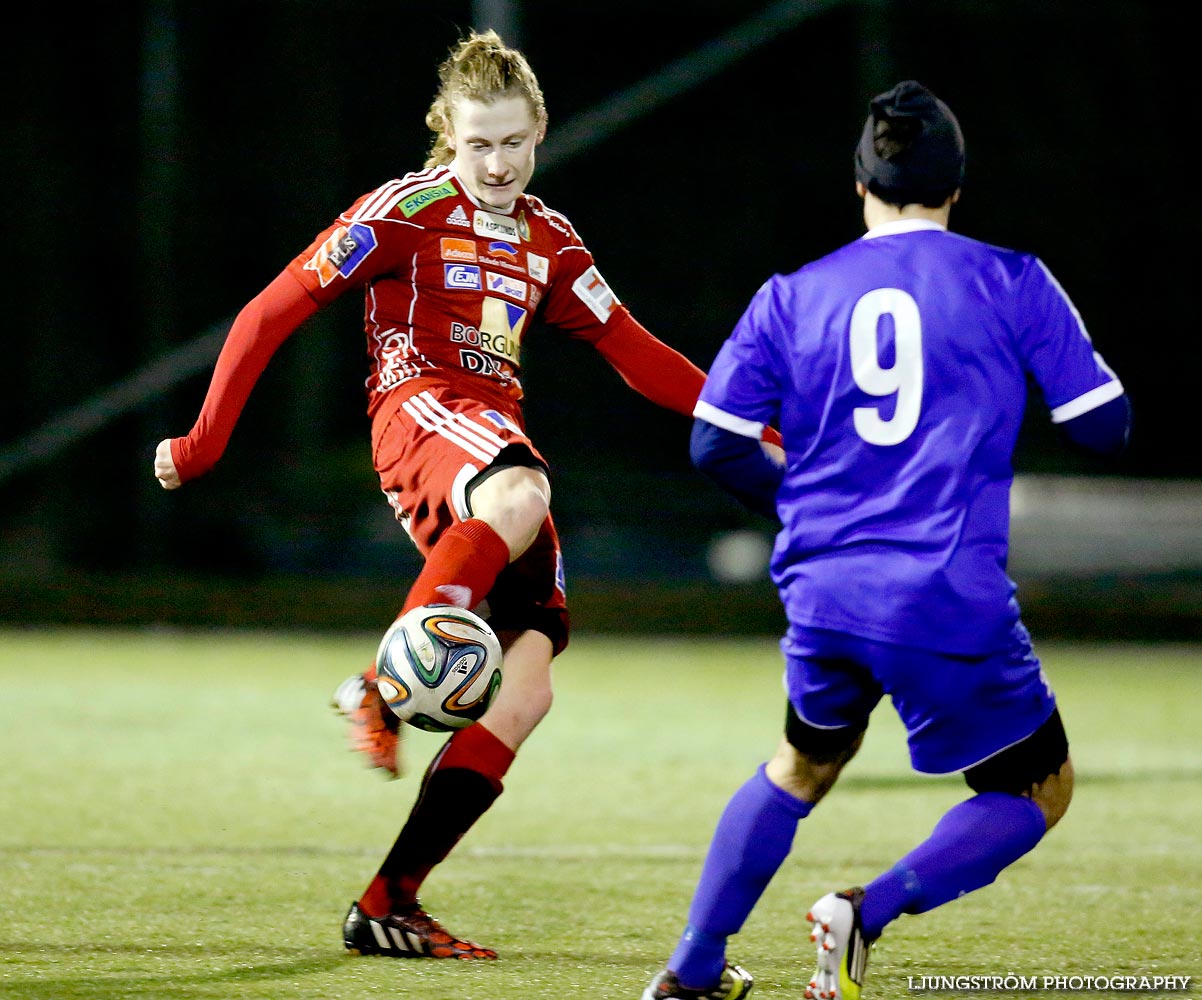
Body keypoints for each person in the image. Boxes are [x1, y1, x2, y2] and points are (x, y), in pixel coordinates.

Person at [154, 30, 777, 960]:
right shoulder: (403, 211)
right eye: (479, 143)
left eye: (515, 142)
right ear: (448, 136)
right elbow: (268, 312)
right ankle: (380, 681)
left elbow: (638, 355)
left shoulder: (551, 239)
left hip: (486, 444)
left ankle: (388, 901)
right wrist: (203, 443)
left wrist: (755, 428)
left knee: (525, 690)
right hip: (422, 417)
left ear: (539, 134)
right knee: (522, 489)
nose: (498, 162)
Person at [640, 80, 1131, 1000]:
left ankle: (691, 968)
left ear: (859, 182)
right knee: (1038, 789)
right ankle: (865, 910)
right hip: (946, 593)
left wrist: (805, 508)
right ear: (957, 184)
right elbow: (1104, 425)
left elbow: (714, 442)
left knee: (802, 765)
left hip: (824, 591)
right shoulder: (1009, 277)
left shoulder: (792, 294)